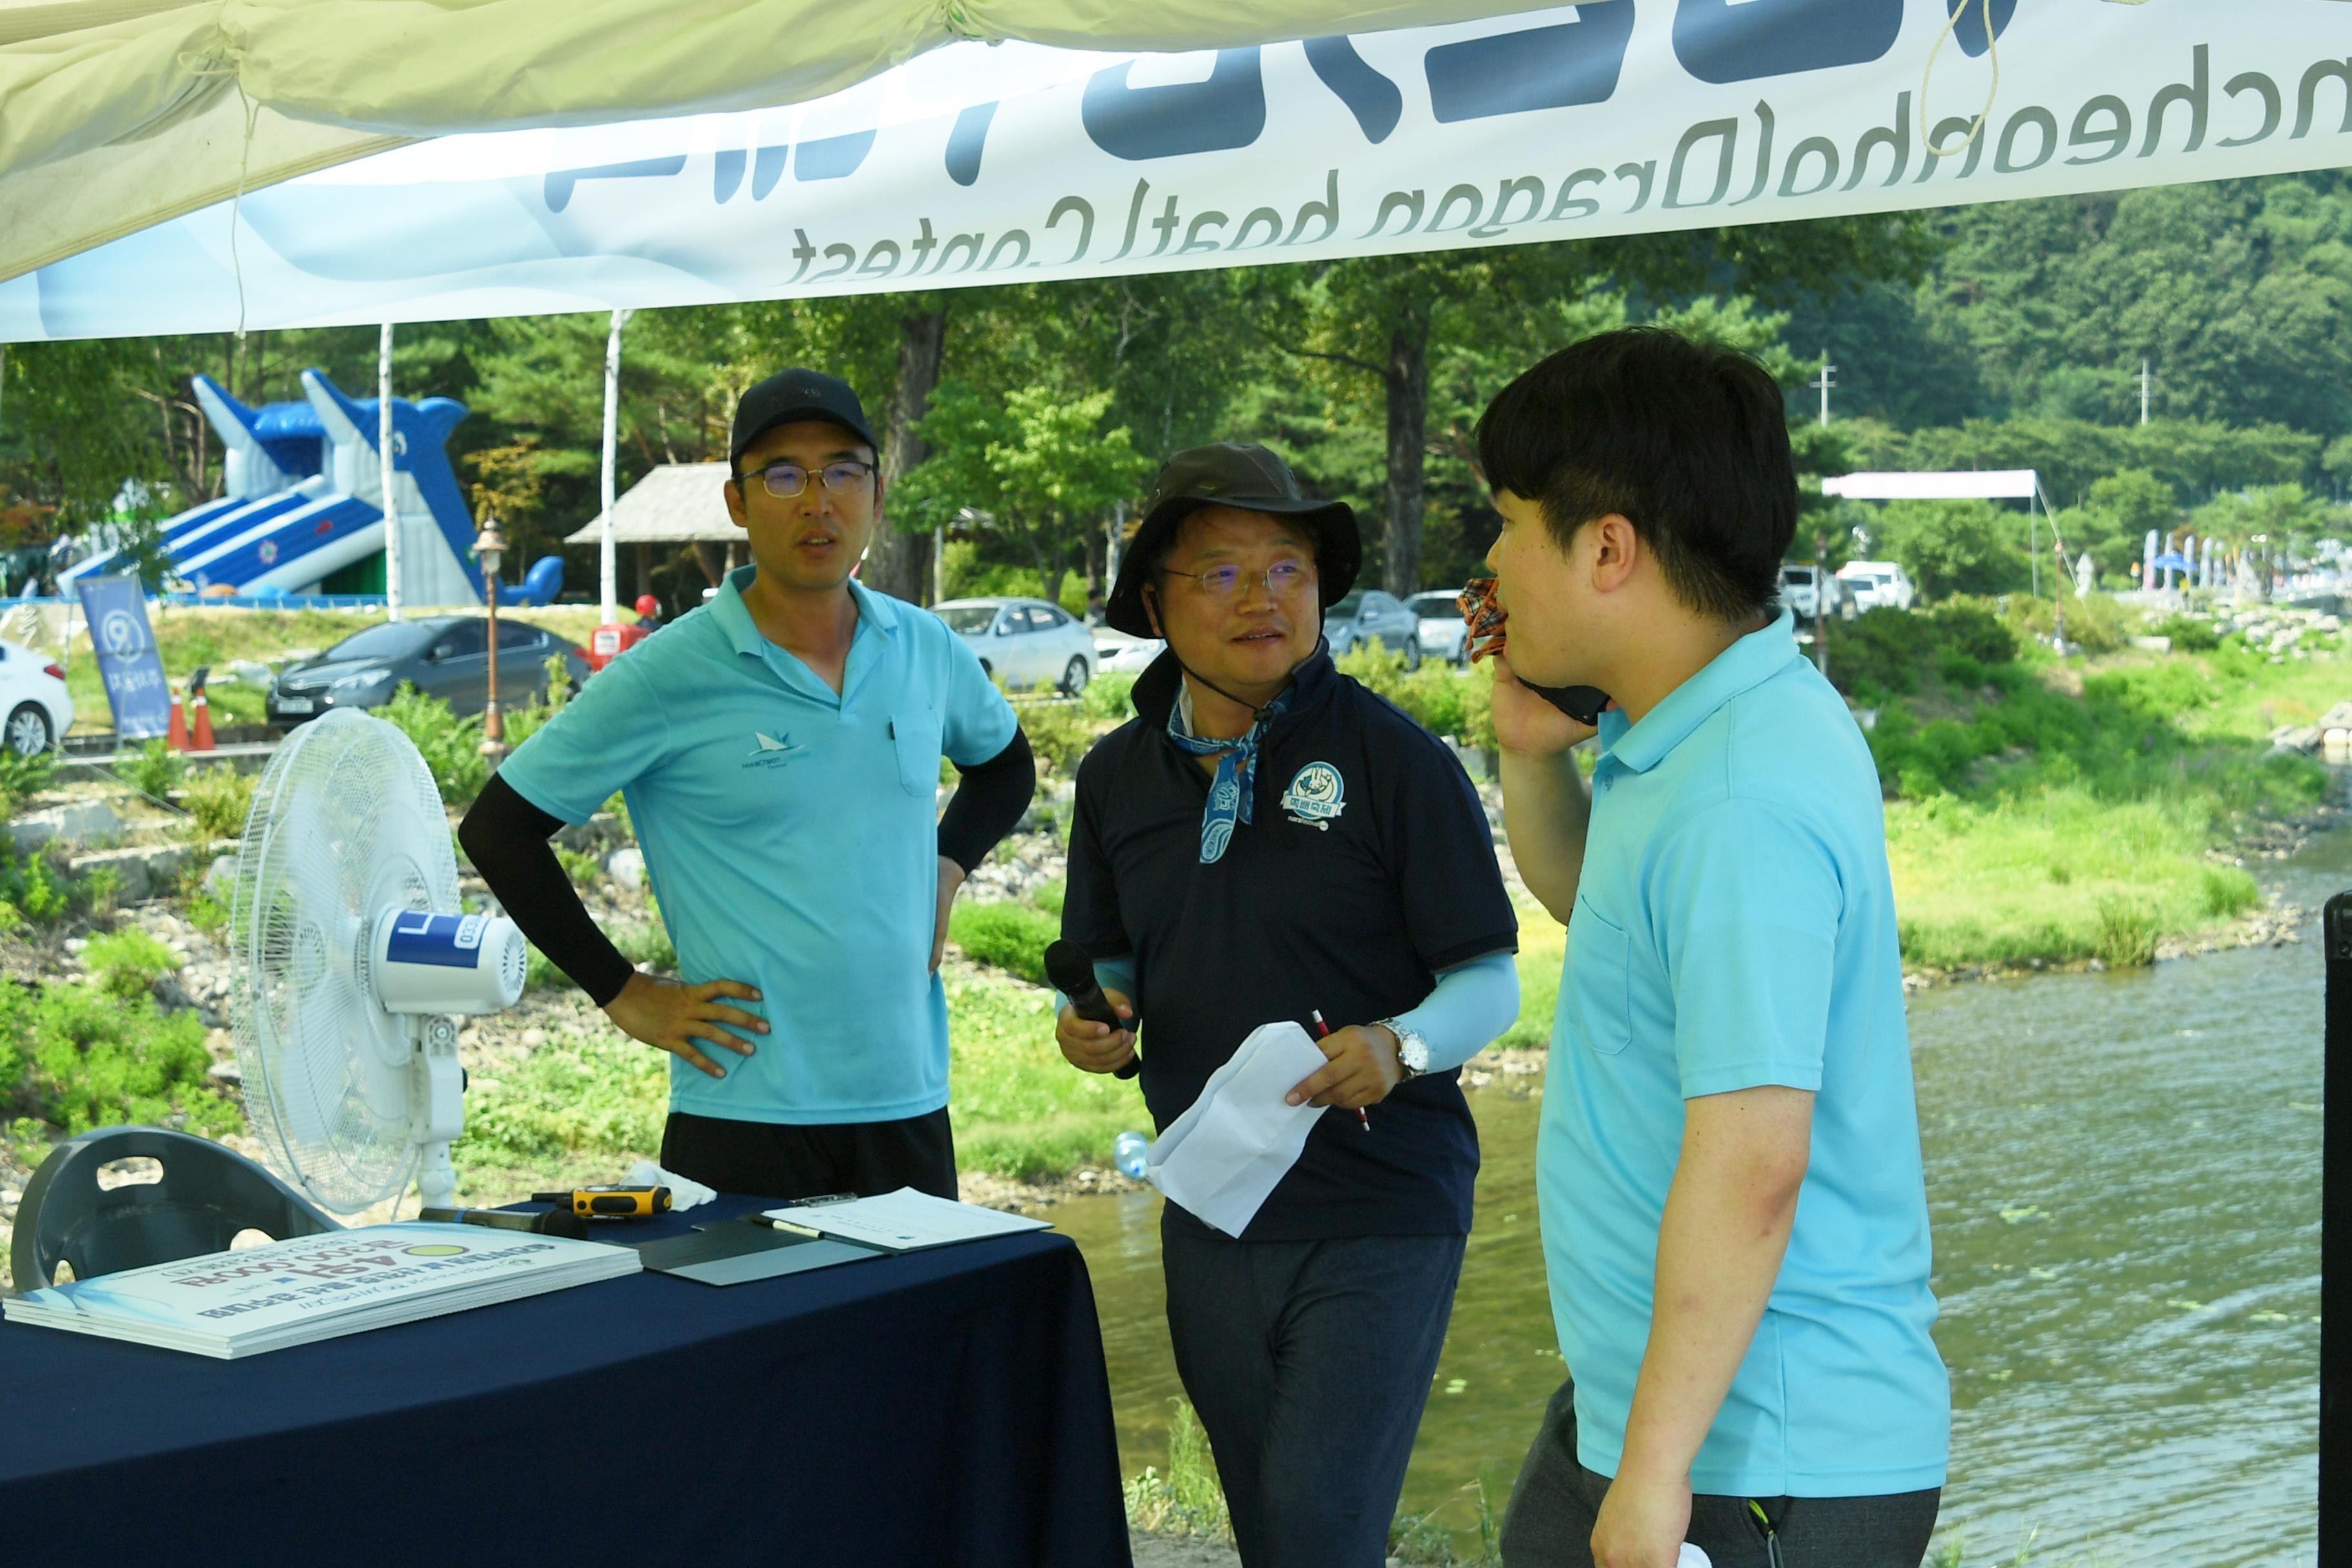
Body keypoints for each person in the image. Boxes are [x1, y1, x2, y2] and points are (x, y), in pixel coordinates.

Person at [1478, 329, 1949, 1568]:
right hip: (1660, 1414)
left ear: (1608, 549)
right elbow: (1601, 902)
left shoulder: (1740, 793)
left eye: (1510, 524)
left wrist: (1654, 1480)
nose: (1489, 562)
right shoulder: (1689, 722)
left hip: (1762, 1460)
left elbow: (1754, 1163)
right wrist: (1532, 752)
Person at [1055, 443, 1522, 1568]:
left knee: (1321, 1530)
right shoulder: (1116, 776)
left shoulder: (1394, 759)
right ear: (1157, 602)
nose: (1263, 596)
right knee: (1271, 1533)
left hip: (1381, 1204)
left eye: (1288, 568)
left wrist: (1401, 1044)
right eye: (1221, 573)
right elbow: (1111, 963)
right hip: (1212, 1201)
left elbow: (1490, 980)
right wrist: (1098, 1024)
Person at [458, 368, 1035, 1200]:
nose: (817, 501)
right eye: (783, 476)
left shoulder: (924, 646)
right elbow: (497, 831)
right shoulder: (666, 672)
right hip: (743, 1112)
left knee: (916, 1330)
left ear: (877, 491)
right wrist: (622, 992)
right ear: (737, 502)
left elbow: (1005, 768)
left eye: (843, 471)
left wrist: (947, 867)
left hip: (908, 1099)